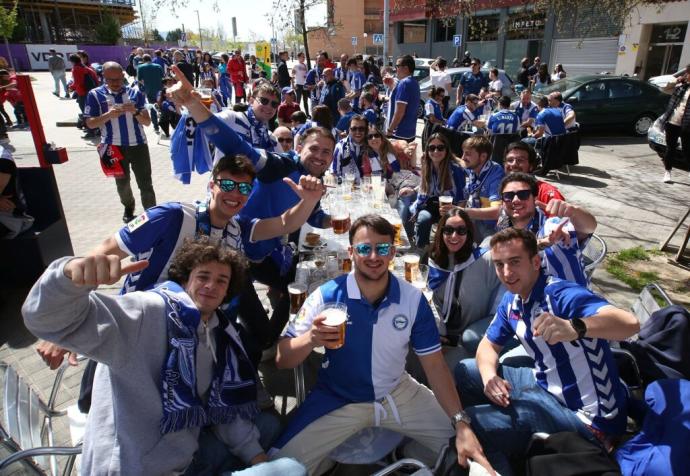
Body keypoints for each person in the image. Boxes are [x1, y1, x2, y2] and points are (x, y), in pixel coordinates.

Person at [23, 237, 308, 476]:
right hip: (133, 466)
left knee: (267, 428)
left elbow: (220, 405)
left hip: (185, 449)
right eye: (203, 277)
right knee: (293, 470)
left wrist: (257, 459)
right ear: (184, 280)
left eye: (221, 281)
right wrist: (69, 276)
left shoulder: (216, 330)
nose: (211, 286)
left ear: (227, 294)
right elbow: (46, 319)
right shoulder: (148, 311)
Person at [272, 214, 493, 475]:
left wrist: (460, 422)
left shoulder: (412, 299)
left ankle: (407, 454)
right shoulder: (326, 294)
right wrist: (310, 339)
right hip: (337, 397)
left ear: (393, 252)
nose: (374, 256)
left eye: (383, 248)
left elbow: (435, 367)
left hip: (397, 392)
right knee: (281, 469)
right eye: (365, 248)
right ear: (352, 252)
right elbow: (282, 358)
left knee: (469, 452)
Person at [454, 227, 640, 476]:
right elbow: (487, 346)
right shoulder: (513, 301)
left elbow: (629, 323)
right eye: (499, 265)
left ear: (535, 262)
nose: (506, 273)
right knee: (467, 370)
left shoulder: (560, 295)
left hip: (587, 420)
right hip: (544, 385)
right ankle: (511, 445)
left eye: (514, 262)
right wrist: (490, 378)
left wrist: (576, 327)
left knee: (473, 424)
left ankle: (499, 455)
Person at [84, 62, 155, 223]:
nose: (116, 83)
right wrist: (108, 115)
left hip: (138, 145)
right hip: (113, 147)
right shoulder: (95, 95)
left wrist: (135, 111)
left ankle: (152, 213)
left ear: (123, 76)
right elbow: (90, 123)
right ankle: (128, 207)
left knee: (145, 183)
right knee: (122, 184)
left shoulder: (135, 93)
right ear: (103, 78)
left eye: (118, 79)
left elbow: (147, 122)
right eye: (111, 80)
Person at [497, 172, 597, 287]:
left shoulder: (551, 225)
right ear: (502, 202)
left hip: (567, 301)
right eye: (508, 196)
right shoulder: (504, 225)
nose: (515, 200)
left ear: (535, 199)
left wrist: (573, 211)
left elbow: (589, 227)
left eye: (523, 194)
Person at [427, 208, 504, 354]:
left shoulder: (485, 260)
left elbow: (517, 263)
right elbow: (430, 299)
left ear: (469, 233)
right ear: (441, 232)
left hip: (468, 338)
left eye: (461, 230)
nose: (454, 236)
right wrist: (438, 331)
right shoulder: (432, 259)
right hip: (438, 335)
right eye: (448, 230)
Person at [407, 133, 466, 248]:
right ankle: (422, 249)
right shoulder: (427, 164)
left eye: (440, 148)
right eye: (432, 148)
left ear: (446, 149)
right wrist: (416, 206)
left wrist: (457, 214)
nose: (436, 151)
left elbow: (462, 197)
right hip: (431, 205)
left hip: (451, 207)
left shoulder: (455, 169)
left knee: (446, 224)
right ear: (427, 150)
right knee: (422, 218)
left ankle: (442, 249)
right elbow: (424, 189)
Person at [213, 81, 281, 161]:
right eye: (264, 101)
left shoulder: (271, 139)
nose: (269, 106)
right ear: (251, 101)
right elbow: (207, 120)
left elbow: (283, 166)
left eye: (274, 104)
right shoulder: (232, 119)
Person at [458, 135, 504, 241]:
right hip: (473, 218)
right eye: (463, 153)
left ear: (483, 156)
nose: (463, 157)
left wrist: (464, 212)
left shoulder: (496, 173)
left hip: (490, 226)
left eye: (468, 154)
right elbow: (458, 162)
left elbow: (497, 211)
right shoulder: (474, 166)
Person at [660, 64, 690, 183]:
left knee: (688, 150)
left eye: (688, 73)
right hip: (673, 122)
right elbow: (664, 89)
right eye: (687, 73)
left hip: (687, 125)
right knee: (670, 148)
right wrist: (675, 81)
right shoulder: (681, 87)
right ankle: (667, 172)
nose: (687, 75)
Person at [387, 55, 420, 142]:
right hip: (410, 132)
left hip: (399, 133)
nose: (395, 69)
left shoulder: (404, 83)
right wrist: (391, 86)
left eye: (397, 66)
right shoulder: (414, 82)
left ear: (405, 68)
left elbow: (400, 112)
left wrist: (390, 130)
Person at [69, 53, 99, 139]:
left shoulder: (76, 69)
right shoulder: (87, 68)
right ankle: (96, 129)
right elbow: (96, 80)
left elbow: (77, 82)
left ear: (72, 61)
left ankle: (90, 131)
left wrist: (71, 88)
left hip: (83, 93)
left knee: (86, 113)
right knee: (93, 111)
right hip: (92, 92)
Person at [331, 115, 368, 180]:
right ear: (349, 130)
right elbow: (334, 173)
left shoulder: (371, 145)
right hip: (347, 187)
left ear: (366, 130)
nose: (357, 132)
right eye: (354, 129)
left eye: (361, 129)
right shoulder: (340, 146)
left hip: (368, 187)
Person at [136, 54, 164, 135]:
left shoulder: (140, 67)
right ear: (150, 59)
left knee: (152, 108)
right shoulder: (158, 66)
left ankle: (156, 127)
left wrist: (142, 89)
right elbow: (162, 77)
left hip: (149, 90)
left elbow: (139, 80)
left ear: (143, 60)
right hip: (159, 90)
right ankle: (163, 124)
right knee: (161, 107)